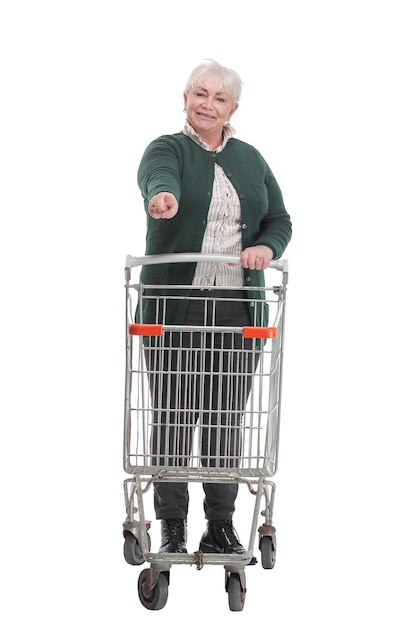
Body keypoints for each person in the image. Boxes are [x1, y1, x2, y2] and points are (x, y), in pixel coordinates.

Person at [136, 59, 292, 557]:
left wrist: (266, 249)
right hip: (174, 305)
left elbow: (279, 219)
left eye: (218, 98)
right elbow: (159, 177)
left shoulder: (250, 158)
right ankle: (173, 524)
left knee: (226, 413)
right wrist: (163, 196)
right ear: (184, 98)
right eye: (199, 94)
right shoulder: (167, 149)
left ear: (233, 108)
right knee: (173, 412)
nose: (207, 104)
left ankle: (220, 523)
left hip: (236, 308)